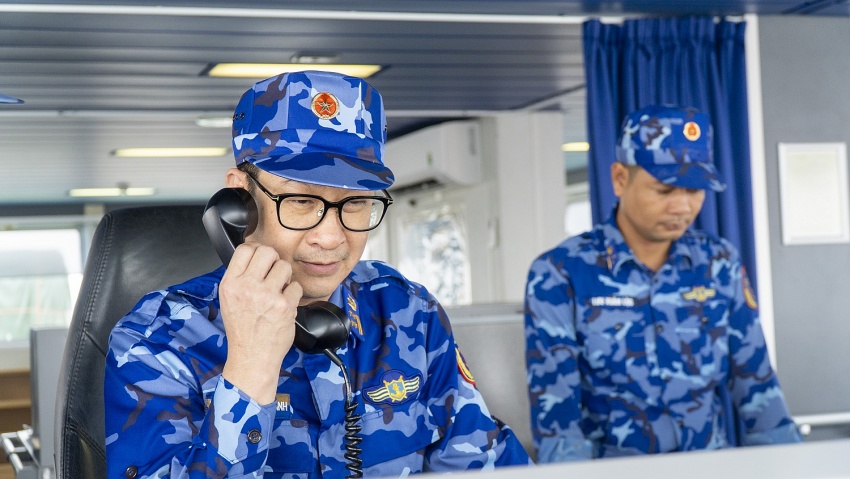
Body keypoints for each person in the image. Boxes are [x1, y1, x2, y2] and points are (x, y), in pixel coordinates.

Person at [104, 70, 532, 478]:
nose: (330, 237)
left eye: (356, 203)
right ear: (239, 199)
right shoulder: (156, 339)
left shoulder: (408, 312)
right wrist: (250, 368)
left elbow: (487, 462)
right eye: (301, 202)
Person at [524, 104, 802, 462]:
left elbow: (756, 384)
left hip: (710, 466)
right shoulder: (560, 272)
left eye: (695, 191)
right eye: (665, 190)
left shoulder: (718, 263)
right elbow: (558, 421)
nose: (683, 207)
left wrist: (792, 465)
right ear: (620, 179)